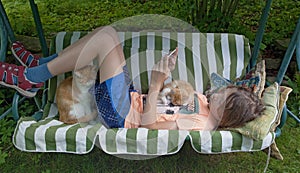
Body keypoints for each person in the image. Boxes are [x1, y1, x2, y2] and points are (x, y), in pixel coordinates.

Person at [0, 26, 265, 130]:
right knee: (108, 34)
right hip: (128, 99)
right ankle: (39, 66)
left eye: (224, 96)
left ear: (226, 113)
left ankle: (32, 77)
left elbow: (150, 128)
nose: (217, 91)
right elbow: (166, 103)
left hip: (120, 115)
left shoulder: (199, 124)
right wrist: (166, 78)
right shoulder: (205, 105)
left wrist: (157, 81)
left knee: (105, 39)